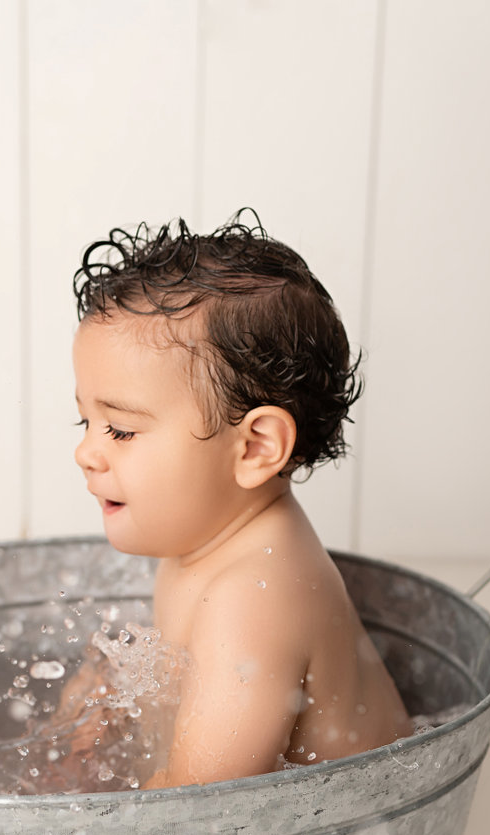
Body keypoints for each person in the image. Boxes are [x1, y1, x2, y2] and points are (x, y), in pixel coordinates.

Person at [68, 210, 413, 788]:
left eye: (120, 430)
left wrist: (71, 817)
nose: (85, 452)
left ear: (255, 447)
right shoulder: (208, 539)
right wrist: (106, 695)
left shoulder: (255, 597)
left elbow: (198, 806)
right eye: (85, 421)